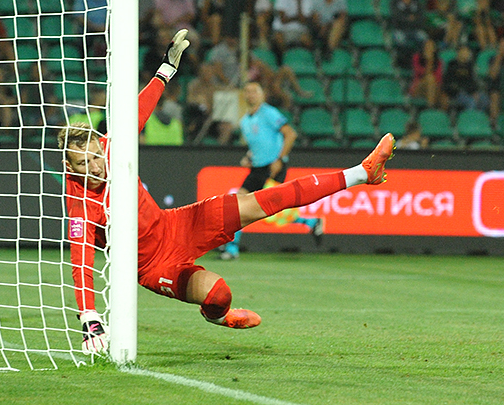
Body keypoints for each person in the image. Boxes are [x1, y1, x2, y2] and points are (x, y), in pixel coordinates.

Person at [62, 31, 397, 354]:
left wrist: (165, 71)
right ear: (69, 167)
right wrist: (89, 315)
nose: (94, 167)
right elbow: (81, 259)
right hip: (153, 266)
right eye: (82, 163)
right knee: (219, 295)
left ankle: (362, 172)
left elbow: (140, 111)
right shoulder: (80, 204)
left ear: (100, 146)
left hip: (177, 225)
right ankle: (219, 317)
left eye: (95, 156)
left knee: (265, 201)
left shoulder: (112, 149)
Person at [222, 81, 322, 261]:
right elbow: (259, 145)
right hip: (257, 168)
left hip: (273, 168)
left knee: (267, 210)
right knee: (238, 205)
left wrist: (280, 159)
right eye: (247, 91)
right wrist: (249, 157)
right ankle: (232, 248)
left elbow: (290, 134)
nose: (251, 94)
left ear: (262, 94)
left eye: (254, 91)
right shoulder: (244, 121)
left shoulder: (269, 113)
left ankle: (310, 222)